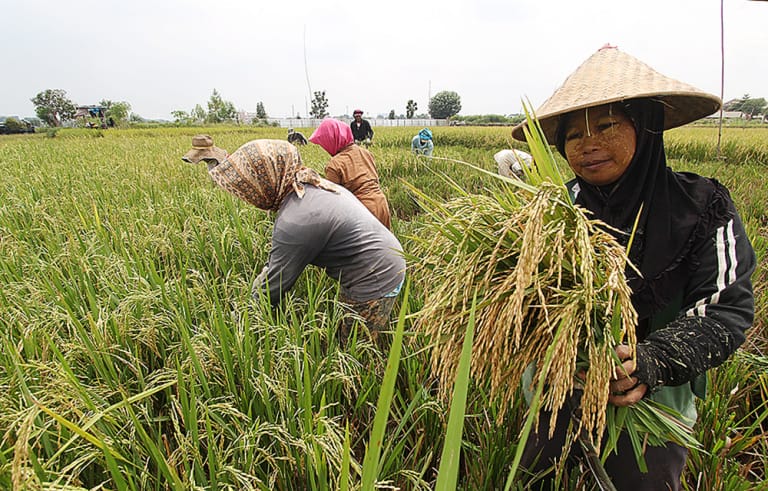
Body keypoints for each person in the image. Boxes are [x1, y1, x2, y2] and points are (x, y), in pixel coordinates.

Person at [510, 45, 756, 490]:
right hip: (555, 394)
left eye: (607, 126)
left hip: (651, 406)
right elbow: (514, 300)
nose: (588, 144)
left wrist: (652, 361)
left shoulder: (702, 207)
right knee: (537, 479)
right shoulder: (552, 211)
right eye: (573, 135)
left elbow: (726, 308)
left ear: (645, 127)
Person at [183, 138, 405, 344]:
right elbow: (277, 266)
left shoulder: (297, 219)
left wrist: (238, 320)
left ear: (265, 182)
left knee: (352, 347)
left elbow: (274, 285)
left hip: (376, 276)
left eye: (249, 187)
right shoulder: (313, 185)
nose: (248, 196)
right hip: (385, 259)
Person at [309, 118, 392, 229]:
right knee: (384, 239)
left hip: (362, 211)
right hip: (381, 204)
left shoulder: (335, 164)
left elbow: (332, 199)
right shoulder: (365, 152)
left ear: (332, 140)